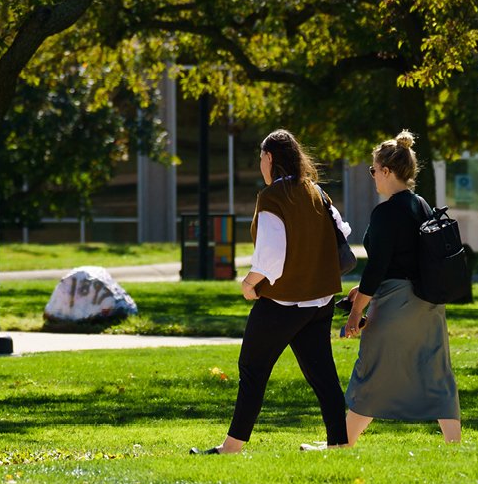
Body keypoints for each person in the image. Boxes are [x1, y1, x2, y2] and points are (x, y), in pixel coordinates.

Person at [197, 129, 351, 455]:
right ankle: (339, 443)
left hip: (282, 303)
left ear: (269, 158)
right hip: (319, 301)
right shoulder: (317, 192)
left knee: (252, 370)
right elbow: (342, 232)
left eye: (261, 159)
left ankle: (232, 446)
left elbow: (271, 257)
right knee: (323, 376)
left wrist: (249, 283)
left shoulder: (272, 198)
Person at [341, 130, 461, 444]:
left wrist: (356, 311)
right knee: (437, 373)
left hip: (395, 303)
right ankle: (454, 444)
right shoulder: (421, 205)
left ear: (387, 171)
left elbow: (378, 267)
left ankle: (343, 442)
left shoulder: (385, 213)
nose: (372, 177)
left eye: (373, 170)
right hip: (429, 302)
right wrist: (361, 294)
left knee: (371, 369)